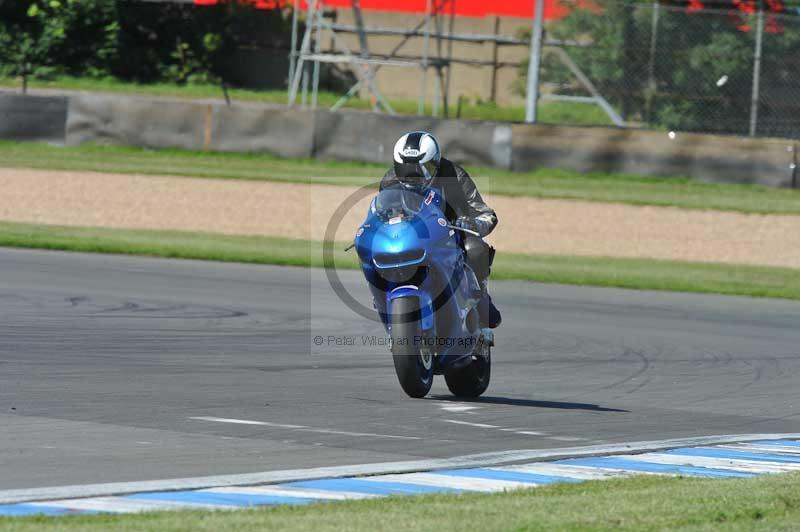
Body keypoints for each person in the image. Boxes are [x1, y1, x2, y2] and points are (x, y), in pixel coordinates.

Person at [380, 131, 501, 329]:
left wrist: (471, 224)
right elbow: (381, 212)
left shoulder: (454, 175)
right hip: (409, 238)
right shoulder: (390, 180)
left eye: (422, 168)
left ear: (435, 162)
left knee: (475, 249)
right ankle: (385, 299)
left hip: (449, 237)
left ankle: (479, 298)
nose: (413, 175)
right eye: (405, 168)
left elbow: (486, 214)